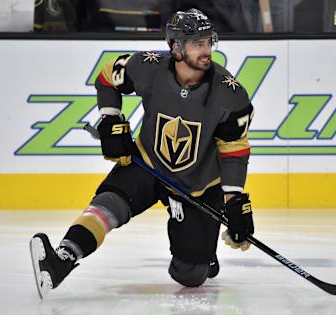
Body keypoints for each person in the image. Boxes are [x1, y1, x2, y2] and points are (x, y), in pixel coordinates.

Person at [30, 8, 255, 299]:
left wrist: (234, 201)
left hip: (199, 185)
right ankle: (61, 260)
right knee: (108, 203)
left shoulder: (230, 93)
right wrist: (110, 118)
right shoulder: (148, 67)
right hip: (148, 163)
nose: (206, 50)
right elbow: (107, 77)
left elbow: (234, 149)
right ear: (175, 47)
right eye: (197, 43)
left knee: (189, 275)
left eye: (208, 42)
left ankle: (203, 255)